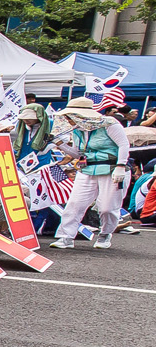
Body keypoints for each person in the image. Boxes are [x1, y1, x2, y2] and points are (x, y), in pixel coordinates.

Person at [52, 96, 131, 249]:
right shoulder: (77, 131)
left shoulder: (110, 124)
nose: (69, 119)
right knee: (74, 204)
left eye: (71, 116)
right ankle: (65, 237)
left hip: (111, 169)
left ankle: (105, 234)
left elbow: (123, 145)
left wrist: (121, 165)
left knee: (107, 207)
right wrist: (59, 144)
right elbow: (77, 153)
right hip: (87, 170)